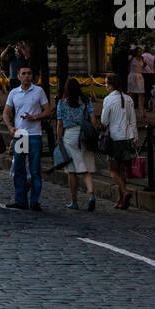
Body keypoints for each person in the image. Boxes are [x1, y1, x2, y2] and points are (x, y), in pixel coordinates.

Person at [3, 65, 51, 211]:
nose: (26, 76)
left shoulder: (39, 91)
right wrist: (10, 128)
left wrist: (36, 116)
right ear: (18, 76)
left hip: (35, 134)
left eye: (29, 73)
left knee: (35, 169)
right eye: (23, 73)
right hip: (20, 135)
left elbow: (48, 110)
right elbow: (6, 113)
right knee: (19, 168)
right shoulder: (13, 93)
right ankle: (20, 200)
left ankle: (35, 201)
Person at [55, 76, 96, 210]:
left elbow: (59, 123)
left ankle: (74, 201)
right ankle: (91, 195)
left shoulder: (62, 103)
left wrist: (59, 138)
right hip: (84, 135)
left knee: (72, 171)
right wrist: (92, 132)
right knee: (86, 169)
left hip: (70, 135)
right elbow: (93, 119)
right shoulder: (86, 101)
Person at [101, 73, 137, 208]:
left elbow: (104, 121)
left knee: (112, 170)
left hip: (115, 138)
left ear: (110, 85)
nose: (105, 86)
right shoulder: (128, 99)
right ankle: (120, 199)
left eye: (106, 83)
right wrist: (135, 137)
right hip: (127, 137)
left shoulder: (109, 99)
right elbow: (133, 120)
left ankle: (125, 192)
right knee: (122, 170)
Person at [127, 46, 146, 125]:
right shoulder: (131, 58)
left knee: (141, 94)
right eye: (138, 51)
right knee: (131, 93)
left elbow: (143, 67)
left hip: (140, 76)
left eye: (140, 51)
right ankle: (130, 110)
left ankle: (142, 110)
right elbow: (127, 67)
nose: (139, 52)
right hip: (132, 76)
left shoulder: (143, 59)